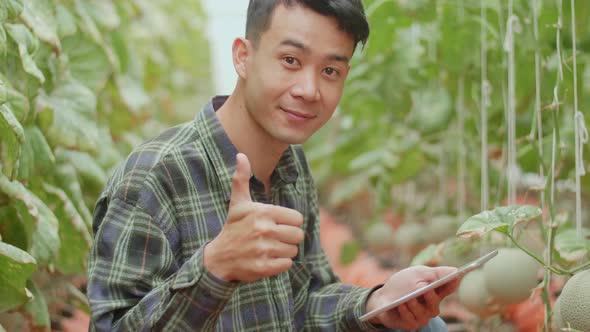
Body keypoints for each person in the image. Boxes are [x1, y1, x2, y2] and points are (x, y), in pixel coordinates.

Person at [87, 0, 460, 331]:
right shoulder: (153, 177)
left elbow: (303, 303)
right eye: (291, 61)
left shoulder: (291, 165)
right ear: (243, 57)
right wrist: (214, 268)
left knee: (429, 327)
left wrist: (375, 305)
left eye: (330, 71)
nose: (309, 90)